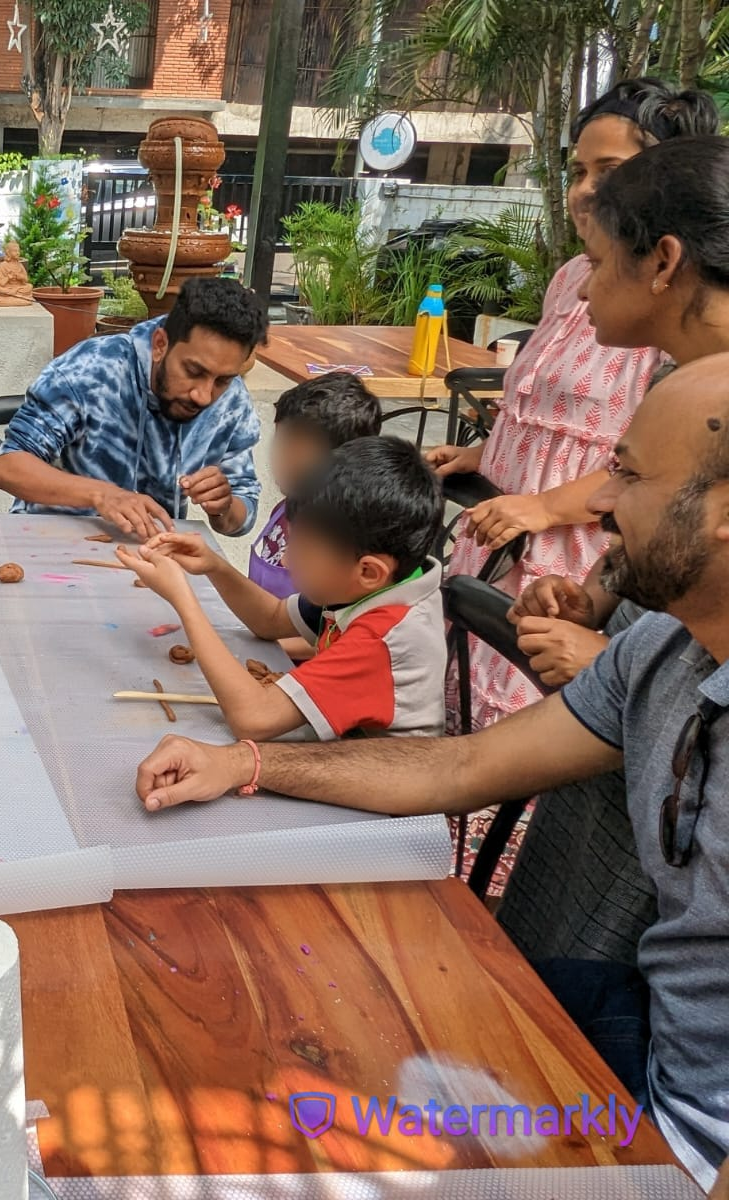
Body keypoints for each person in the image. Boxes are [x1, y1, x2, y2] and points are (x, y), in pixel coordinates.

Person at [130, 356, 729, 1191]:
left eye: (625, 475)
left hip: (685, 1136)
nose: (593, 503)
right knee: (292, 1037)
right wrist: (246, 761)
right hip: (644, 1025)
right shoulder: (660, 649)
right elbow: (468, 761)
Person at [424, 79, 719, 732]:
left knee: (532, 729)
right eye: (578, 170)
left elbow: (657, 472)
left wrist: (549, 509)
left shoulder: (684, 344)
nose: (586, 191)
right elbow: (554, 412)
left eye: (609, 174)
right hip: (550, 571)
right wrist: (489, 452)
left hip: (575, 552)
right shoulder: (573, 279)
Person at [117, 437, 444, 743]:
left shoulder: (384, 639)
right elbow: (271, 620)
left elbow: (253, 719)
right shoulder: (368, 586)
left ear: (369, 571)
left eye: (303, 551)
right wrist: (214, 566)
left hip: (381, 793)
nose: (286, 560)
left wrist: (183, 600)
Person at [0, 277, 268, 540]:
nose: (204, 396)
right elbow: (7, 467)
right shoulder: (91, 370)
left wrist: (224, 506)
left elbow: (243, 513)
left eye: (222, 380)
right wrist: (101, 495)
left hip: (152, 560)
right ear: (160, 344)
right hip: (49, 546)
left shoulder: (232, 400)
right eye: (193, 371)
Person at [249, 372, 382, 600]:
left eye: (297, 455)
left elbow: (308, 626)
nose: (282, 462)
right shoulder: (282, 511)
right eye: (281, 445)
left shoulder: (339, 542)